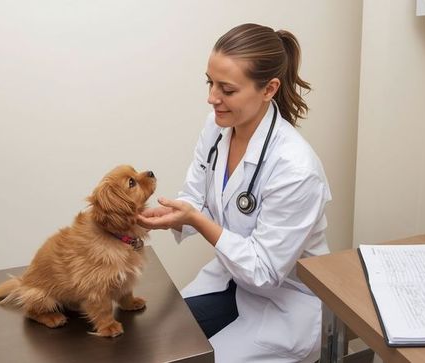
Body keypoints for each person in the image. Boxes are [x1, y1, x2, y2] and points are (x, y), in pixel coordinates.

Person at [138, 23, 331, 363]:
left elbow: (265, 271)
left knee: (196, 359)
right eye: (210, 82)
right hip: (232, 280)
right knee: (160, 343)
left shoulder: (296, 169)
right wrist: (170, 216)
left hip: (284, 300)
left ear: (269, 88)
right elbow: (196, 197)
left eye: (226, 89)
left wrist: (194, 218)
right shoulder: (217, 127)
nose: (212, 98)